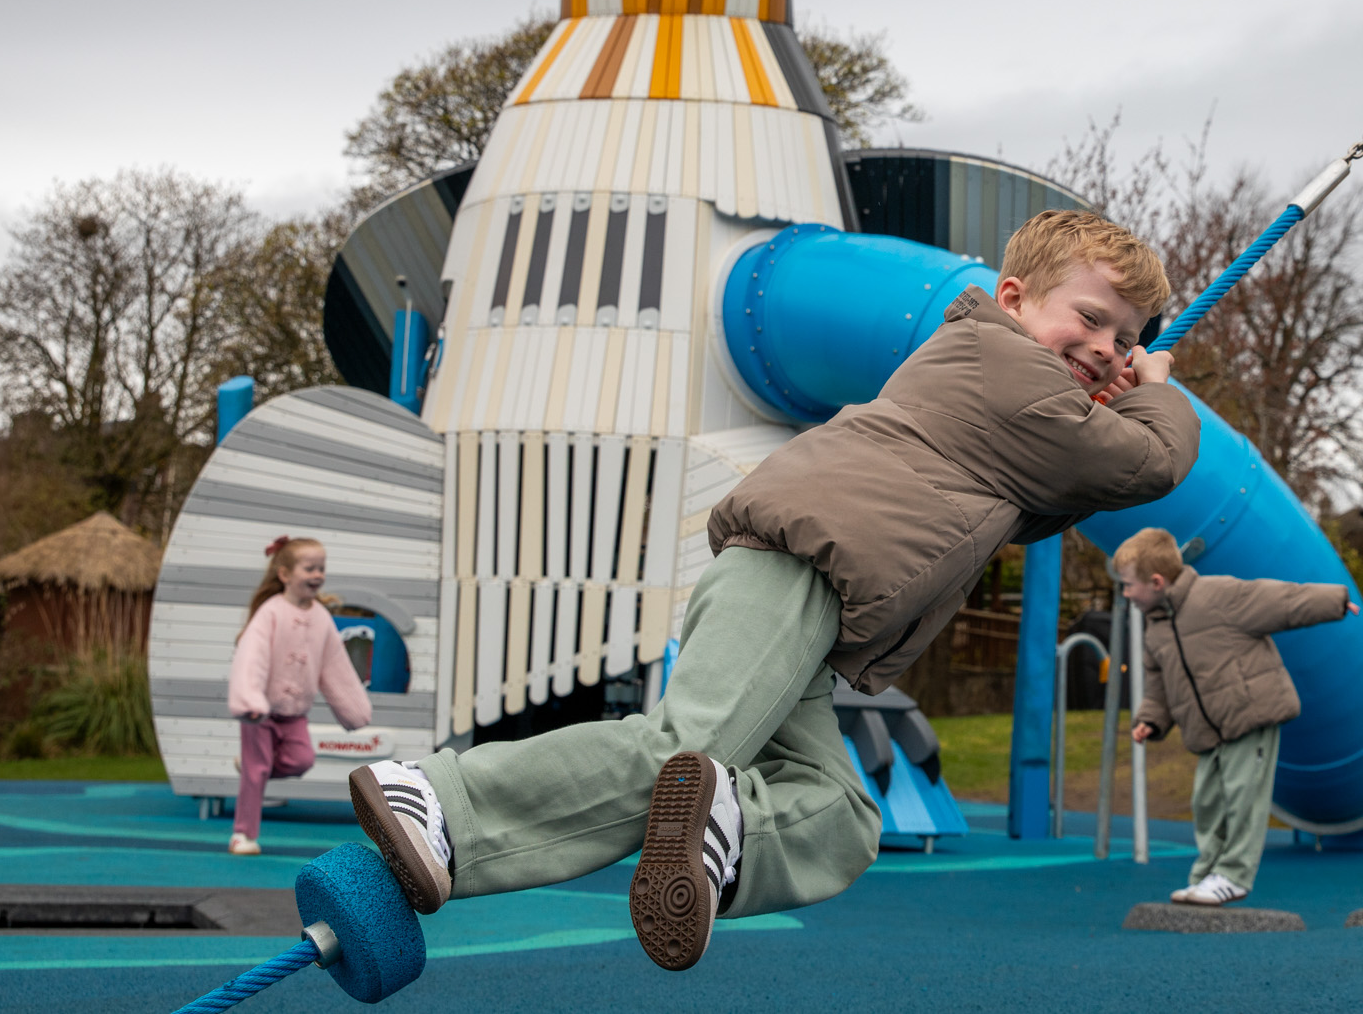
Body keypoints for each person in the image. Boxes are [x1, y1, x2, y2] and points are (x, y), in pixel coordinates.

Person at [350, 209, 1201, 970]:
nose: (1107, 349)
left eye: (1126, 341)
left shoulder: (1021, 397)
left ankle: (723, 835)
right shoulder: (998, 362)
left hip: (820, 609)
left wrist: (1118, 399)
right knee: (685, 744)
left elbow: (1044, 500)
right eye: (1091, 319)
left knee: (841, 813)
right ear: (1013, 298)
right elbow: (1143, 464)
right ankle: (436, 799)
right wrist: (1156, 396)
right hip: (801, 562)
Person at [1117, 527, 1359, 907]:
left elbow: (1281, 600)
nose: (1126, 593)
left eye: (1129, 585)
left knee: (1243, 795)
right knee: (1207, 802)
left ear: (1157, 581)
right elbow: (1157, 680)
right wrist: (1152, 718)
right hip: (1206, 729)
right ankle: (1207, 874)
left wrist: (1334, 601)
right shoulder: (1156, 627)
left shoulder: (1219, 596)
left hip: (1250, 715)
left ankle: (1234, 875)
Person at [225, 535, 372, 856]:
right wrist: (251, 699)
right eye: (309, 568)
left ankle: (250, 767)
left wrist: (354, 709)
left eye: (321, 568)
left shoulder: (321, 617)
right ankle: (242, 834)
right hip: (260, 711)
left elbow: (335, 664)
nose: (317, 575)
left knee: (301, 760)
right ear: (285, 575)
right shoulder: (271, 612)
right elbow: (253, 656)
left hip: (294, 713)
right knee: (257, 769)